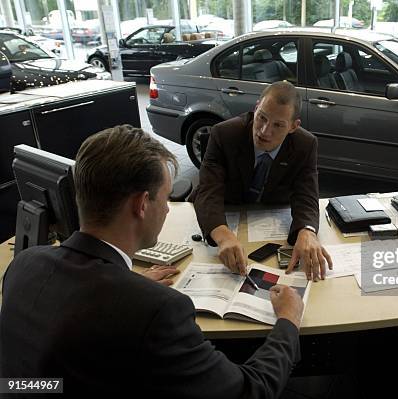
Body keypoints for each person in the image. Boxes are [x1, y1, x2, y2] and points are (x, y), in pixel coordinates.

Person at [0, 125, 304, 398]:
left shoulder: (24, 264)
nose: (169, 210)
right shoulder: (157, 310)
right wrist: (288, 321)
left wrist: (126, 282)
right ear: (142, 204)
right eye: (166, 198)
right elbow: (250, 390)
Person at [192, 81, 333, 281]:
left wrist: (307, 230)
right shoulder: (224, 134)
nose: (265, 131)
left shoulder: (305, 144)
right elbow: (208, 190)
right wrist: (223, 236)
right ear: (256, 107)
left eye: (278, 125)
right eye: (262, 118)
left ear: (294, 126)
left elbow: (307, 194)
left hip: (269, 223)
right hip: (227, 215)